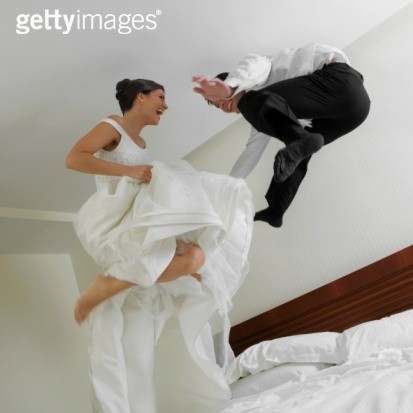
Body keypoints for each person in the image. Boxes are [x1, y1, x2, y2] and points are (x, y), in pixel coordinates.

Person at [66, 78, 254, 412]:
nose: (165, 105)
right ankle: (107, 286)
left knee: (195, 258)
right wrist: (132, 172)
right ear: (140, 97)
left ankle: (118, 284)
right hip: (117, 218)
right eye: (160, 97)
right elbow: (74, 159)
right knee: (175, 180)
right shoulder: (113, 125)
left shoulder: (141, 143)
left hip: (139, 216)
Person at [193, 43, 371, 227]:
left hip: (340, 81)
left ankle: (299, 138)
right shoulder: (264, 111)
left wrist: (230, 88)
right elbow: (251, 152)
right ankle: (276, 210)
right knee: (300, 150)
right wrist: (227, 187)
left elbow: (253, 67)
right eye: (218, 106)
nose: (222, 106)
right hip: (353, 115)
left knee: (259, 105)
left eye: (218, 100)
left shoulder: (263, 68)